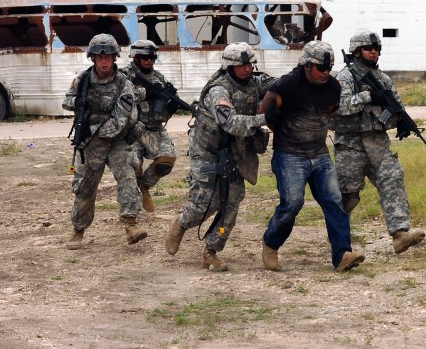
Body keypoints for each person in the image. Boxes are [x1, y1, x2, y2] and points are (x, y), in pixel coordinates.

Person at [165, 42, 275, 271]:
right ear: (229, 66)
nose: (247, 69)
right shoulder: (219, 91)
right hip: (207, 155)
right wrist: (266, 118)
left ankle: (211, 251)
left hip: (235, 154)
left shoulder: (255, 82)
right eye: (241, 65)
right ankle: (181, 222)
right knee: (203, 204)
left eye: (249, 64)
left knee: (231, 204)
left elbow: (279, 85)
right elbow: (232, 123)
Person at [259, 40, 365, 273]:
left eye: (329, 68)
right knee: (292, 204)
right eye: (321, 68)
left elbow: (330, 112)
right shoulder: (286, 85)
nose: (326, 73)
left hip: (320, 155)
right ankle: (271, 243)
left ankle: (342, 256)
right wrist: (283, 129)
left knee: (335, 202)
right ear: (307, 65)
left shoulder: (333, 87)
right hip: (289, 156)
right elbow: (263, 114)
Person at [331, 29, 425, 255]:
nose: (373, 52)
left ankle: (400, 235)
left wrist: (400, 121)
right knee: (348, 195)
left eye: (377, 49)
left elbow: (396, 105)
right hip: (350, 144)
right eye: (368, 48)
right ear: (356, 51)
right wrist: (368, 96)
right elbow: (339, 107)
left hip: (378, 143)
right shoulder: (345, 78)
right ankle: (337, 239)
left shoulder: (383, 79)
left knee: (392, 178)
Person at [63, 33, 147, 250]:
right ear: (92, 58)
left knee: (127, 177)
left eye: (107, 56)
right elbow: (66, 101)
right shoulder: (82, 80)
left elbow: (121, 120)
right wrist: (79, 103)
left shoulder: (123, 85)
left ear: (114, 58)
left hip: (116, 141)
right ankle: (78, 230)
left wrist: (93, 131)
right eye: (99, 56)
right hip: (91, 144)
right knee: (84, 187)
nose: (103, 60)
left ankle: (130, 225)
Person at [120, 40, 178, 213]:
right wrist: (145, 94)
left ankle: (144, 187)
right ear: (135, 57)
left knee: (166, 162)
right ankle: (130, 210)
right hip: (131, 130)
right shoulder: (124, 76)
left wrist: (171, 105)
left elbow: (162, 113)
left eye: (152, 57)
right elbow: (121, 99)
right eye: (145, 57)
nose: (149, 61)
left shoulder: (159, 78)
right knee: (132, 170)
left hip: (155, 129)